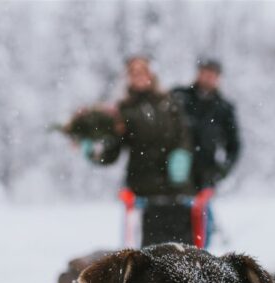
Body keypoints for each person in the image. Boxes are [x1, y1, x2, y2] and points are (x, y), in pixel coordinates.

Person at [81, 56, 196, 246]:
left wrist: (182, 156)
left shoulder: (170, 103)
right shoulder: (122, 111)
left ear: (151, 74)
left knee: (183, 249)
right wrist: (93, 150)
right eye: (134, 72)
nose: (139, 76)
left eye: (143, 71)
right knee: (149, 253)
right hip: (143, 193)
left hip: (176, 190)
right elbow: (112, 152)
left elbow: (184, 136)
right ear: (128, 77)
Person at [172, 58, 242, 193]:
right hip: (173, 175)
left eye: (213, 74)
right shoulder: (179, 97)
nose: (209, 77)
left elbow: (234, 145)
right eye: (206, 73)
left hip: (204, 178)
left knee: (200, 213)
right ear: (198, 74)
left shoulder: (224, 108)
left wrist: (220, 172)